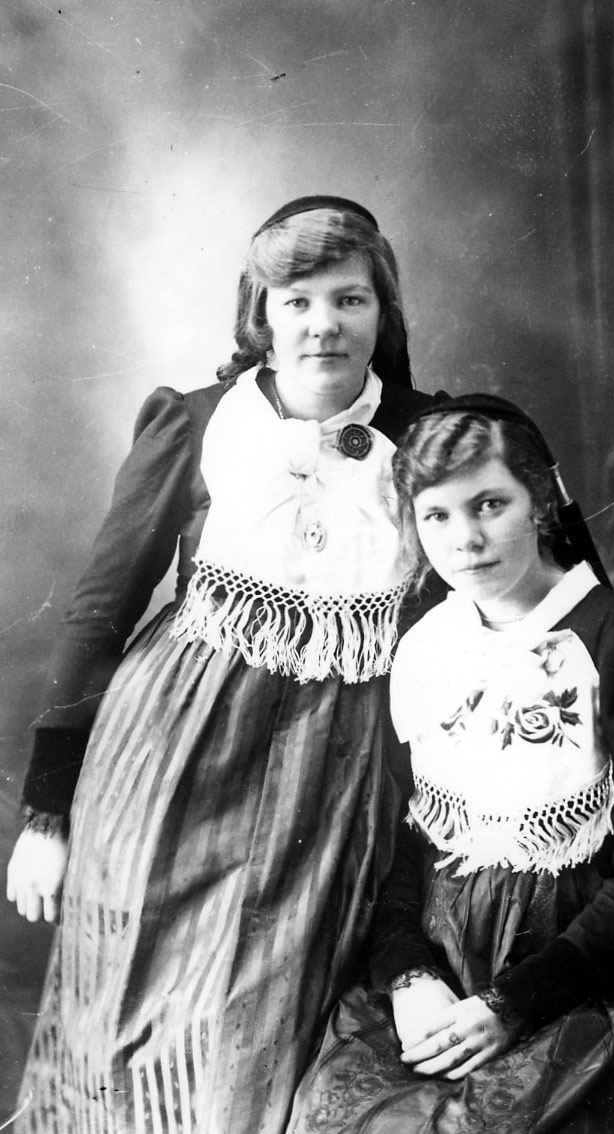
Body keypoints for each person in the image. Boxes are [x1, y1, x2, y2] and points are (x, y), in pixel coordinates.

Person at [6, 196, 438, 1134]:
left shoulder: (431, 435)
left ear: (383, 312)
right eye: (296, 301)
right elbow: (99, 612)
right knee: (132, 1024)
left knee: (268, 1038)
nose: (323, 324)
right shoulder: (198, 422)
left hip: (338, 777)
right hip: (171, 757)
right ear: (260, 314)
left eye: (350, 299)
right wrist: (46, 810)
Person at [287, 393, 614, 1134]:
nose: (465, 540)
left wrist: (512, 1005)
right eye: (437, 515)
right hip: (442, 968)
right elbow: (404, 847)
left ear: (541, 502)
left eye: (490, 504)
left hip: (585, 975)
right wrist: (408, 975)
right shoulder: (423, 645)